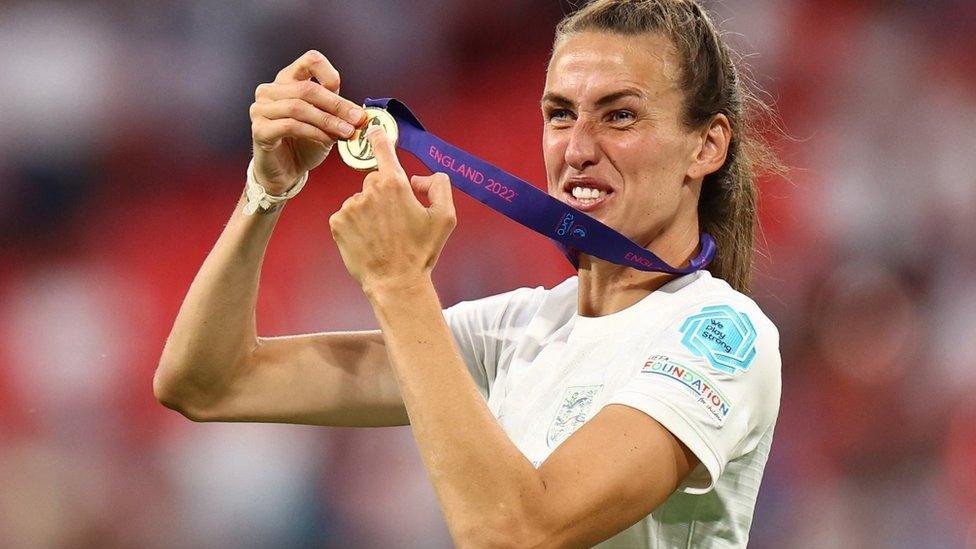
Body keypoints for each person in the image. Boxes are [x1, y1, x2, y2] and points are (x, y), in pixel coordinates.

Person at [154, 0, 782, 546]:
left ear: (707, 146)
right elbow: (209, 382)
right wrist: (266, 190)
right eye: (560, 114)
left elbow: (515, 533)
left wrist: (399, 283)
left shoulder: (720, 338)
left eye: (620, 115)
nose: (579, 147)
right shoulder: (516, 332)